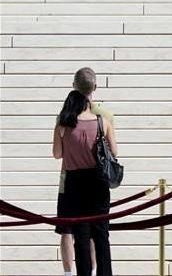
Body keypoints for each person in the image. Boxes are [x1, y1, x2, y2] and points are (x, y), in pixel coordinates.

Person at [52, 90, 116, 276]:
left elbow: (57, 154)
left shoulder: (62, 126)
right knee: (102, 234)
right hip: (98, 181)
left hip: (74, 182)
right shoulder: (103, 122)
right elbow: (114, 151)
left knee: (81, 236)